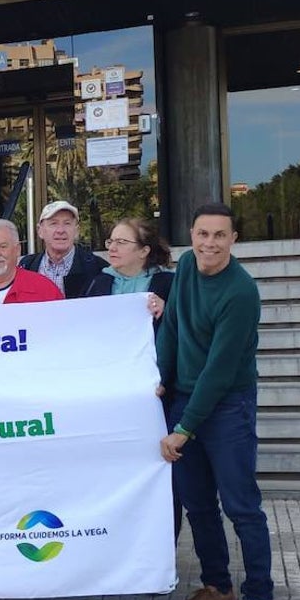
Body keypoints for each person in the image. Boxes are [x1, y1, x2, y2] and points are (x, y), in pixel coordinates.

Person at [159, 203, 275, 600]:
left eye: (219, 236)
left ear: (234, 240)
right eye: (202, 234)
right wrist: (161, 379)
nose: (209, 244)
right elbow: (171, 325)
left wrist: (184, 428)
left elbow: (221, 371)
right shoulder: (186, 266)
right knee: (198, 503)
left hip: (227, 405)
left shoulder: (241, 292)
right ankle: (218, 587)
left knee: (242, 507)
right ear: (191, 235)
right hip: (187, 396)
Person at [84, 218, 179, 538]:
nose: (112, 247)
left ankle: (163, 543)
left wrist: (169, 310)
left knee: (161, 471)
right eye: (110, 241)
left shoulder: (168, 284)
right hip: (113, 397)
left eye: (121, 242)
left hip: (157, 394)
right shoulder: (99, 283)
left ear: (144, 251)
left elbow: (186, 332)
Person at [19, 200, 107, 298]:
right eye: (53, 223)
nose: (60, 230)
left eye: (67, 223)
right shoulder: (26, 266)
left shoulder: (97, 268)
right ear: (40, 231)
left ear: (77, 231)